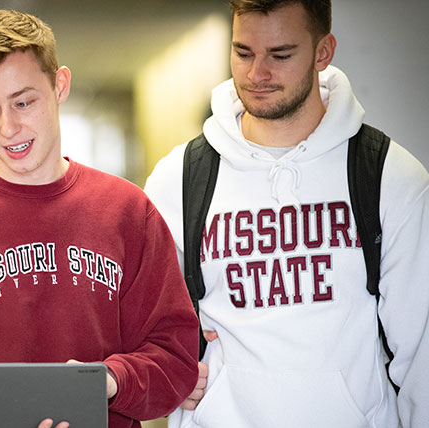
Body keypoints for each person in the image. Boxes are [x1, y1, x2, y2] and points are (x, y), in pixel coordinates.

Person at [0, 9, 199, 428]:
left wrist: (105, 381)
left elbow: (174, 355)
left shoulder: (128, 211)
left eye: (23, 102)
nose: (9, 128)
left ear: (59, 85)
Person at [144, 0, 429, 427]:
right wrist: (170, 366)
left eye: (280, 55)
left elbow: (421, 356)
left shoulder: (388, 175)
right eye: (243, 53)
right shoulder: (178, 178)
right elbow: (141, 331)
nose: (257, 73)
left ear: (323, 52)